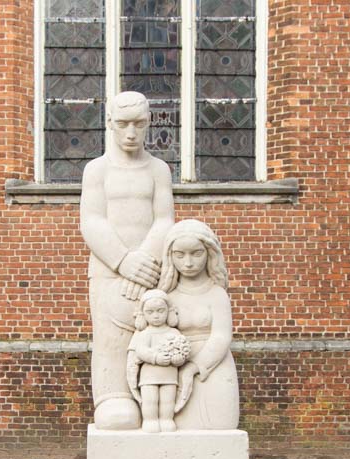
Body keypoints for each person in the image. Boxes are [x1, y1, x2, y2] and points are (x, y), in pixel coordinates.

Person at [80, 91, 175, 429]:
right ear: (109, 124)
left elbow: (164, 219)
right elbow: (91, 220)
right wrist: (123, 261)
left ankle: (155, 401)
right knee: (110, 336)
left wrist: (145, 261)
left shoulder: (158, 170)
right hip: (109, 271)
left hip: (150, 272)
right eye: (122, 125)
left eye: (139, 124)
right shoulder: (97, 170)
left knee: (153, 328)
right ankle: (112, 395)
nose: (131, 133)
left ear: (149, 123)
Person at [158, 219, 240, 430]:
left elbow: (221, 336)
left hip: (213, 366)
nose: (188, 263)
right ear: (170, 256)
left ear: (209, 253)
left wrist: (194, 367)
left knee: (222, 425)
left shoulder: (217, 294)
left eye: (196, 254)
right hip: (176, 367)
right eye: (179, 255)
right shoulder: (167, 298)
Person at [126, 290, 189, 433]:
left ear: (168, 311)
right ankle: (150, 420)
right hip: (149, 376)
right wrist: (155, 358)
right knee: (150, 400)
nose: (156, 316)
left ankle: (167, 420)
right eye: (150, 312)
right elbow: (140, 351)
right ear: (143, 314)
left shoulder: (174, 333)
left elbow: (182, 350)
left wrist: (178, 359)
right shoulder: (145, 333)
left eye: (161, 311)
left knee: (168, 400)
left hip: (169, 376)